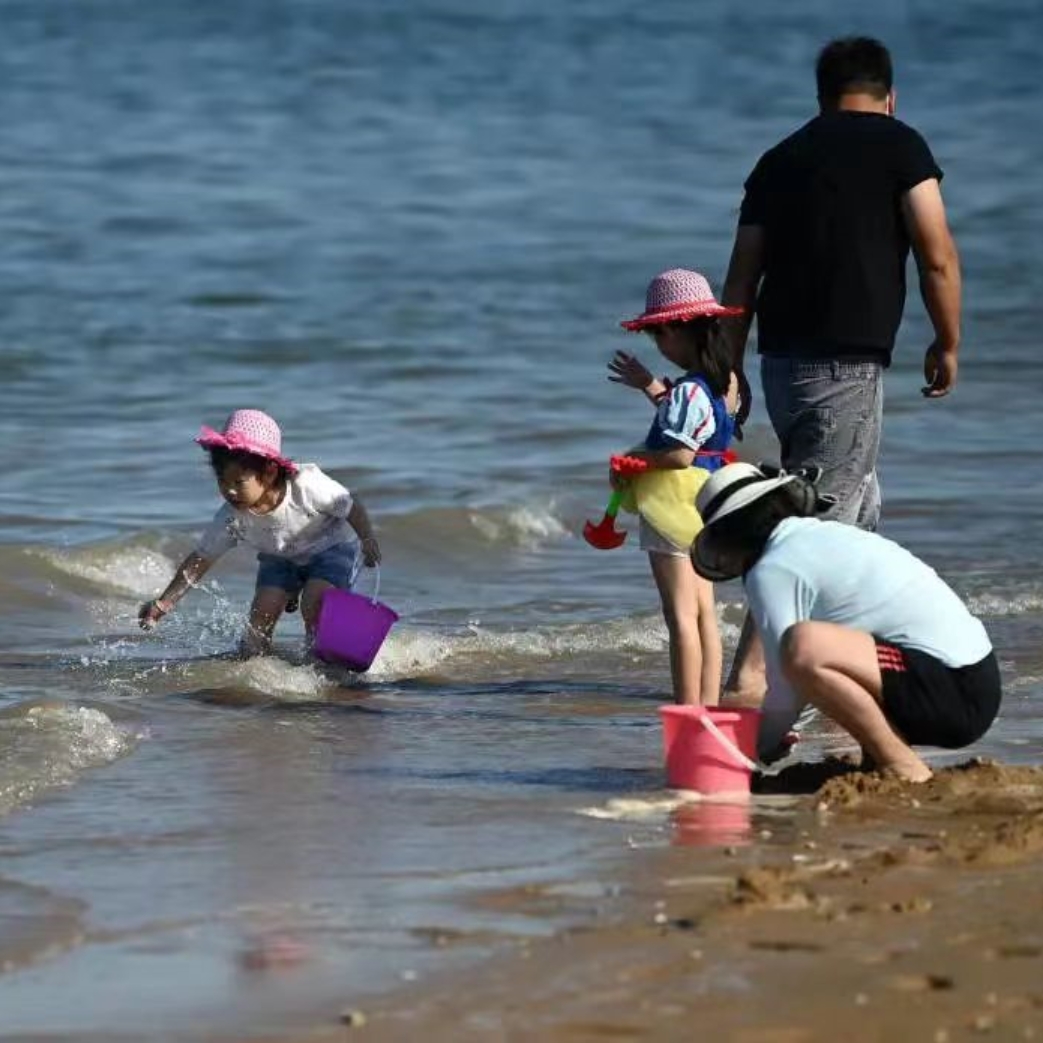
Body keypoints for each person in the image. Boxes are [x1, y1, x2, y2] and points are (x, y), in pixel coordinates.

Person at [719, 35, 962, 702]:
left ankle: (850, 666)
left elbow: (740, 280)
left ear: (821, 97)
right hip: (844, 367)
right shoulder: (900, 145)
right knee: (812, 532)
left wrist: (728, 368)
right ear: (889, 95)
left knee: (857, 515)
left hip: (781, 365)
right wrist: (946, 341)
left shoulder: (779, 159)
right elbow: (935, 252)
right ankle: (749, 681)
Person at [691, 462, 1000, 782]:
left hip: (954, 691)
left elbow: (787, 685)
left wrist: (756, 748)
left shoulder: (772, 568)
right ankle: (879, 757)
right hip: (973, 680)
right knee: (834, 639)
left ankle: (902, 766)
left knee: (804, 648)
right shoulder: (820, 536)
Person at [139, 409, 381, 655]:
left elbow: (351, 504)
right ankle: (255, 661)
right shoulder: (231, 517)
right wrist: (164, 603)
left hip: (330, 550)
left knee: (313, 602)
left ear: (269, 472)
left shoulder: (307, 486)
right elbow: (201, 559)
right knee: (261, 615)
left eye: (239, 482)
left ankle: (321, 660)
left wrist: (367, 538)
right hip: (279, 559)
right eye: (223, 481)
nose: (229, 491)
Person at [607, 268, 743, 706]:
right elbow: (698, 429)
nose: (660, 346)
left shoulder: (687, 390)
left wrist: (632, 462)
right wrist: (650, 386)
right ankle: (709, 707)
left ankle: (687, 710)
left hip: (671, 502)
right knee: (705, 615)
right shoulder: (728, 384)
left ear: (679, 330)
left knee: (680, 616)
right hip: (710, 499)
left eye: (659, 335)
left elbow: (679, 454)